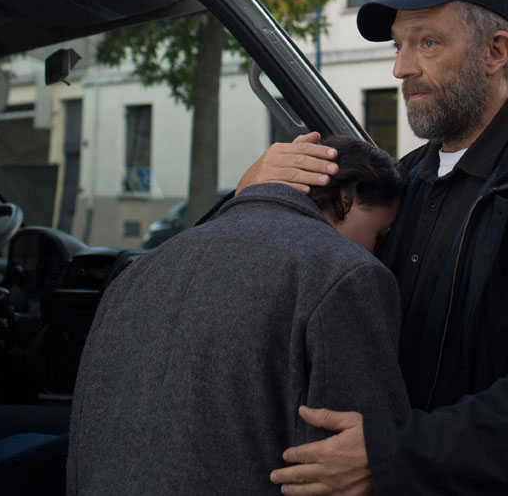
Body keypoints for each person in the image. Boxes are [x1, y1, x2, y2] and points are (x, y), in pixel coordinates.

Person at [242, 0, 508, 496]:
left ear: (495, 51)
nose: (402, 68)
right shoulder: (400, 182)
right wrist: (253, 193)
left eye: (427, 43)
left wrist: (390, 454)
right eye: (398, 46)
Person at [66, 136, 411, 495]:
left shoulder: (139, 270)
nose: (377, 250)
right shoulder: (346, 273)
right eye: (379, 234)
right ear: (347, 199)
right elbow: (354, 464)